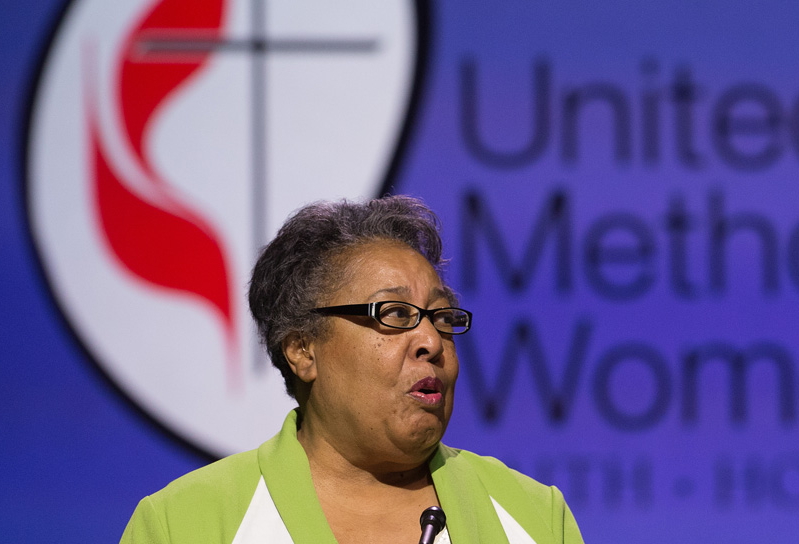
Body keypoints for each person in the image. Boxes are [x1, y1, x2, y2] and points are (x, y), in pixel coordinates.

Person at [120, 196, 584, 544]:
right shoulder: (186, 523)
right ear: (302, 348)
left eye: (442, 318)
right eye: (395, 314)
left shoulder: (535, 517)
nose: (431, 341)